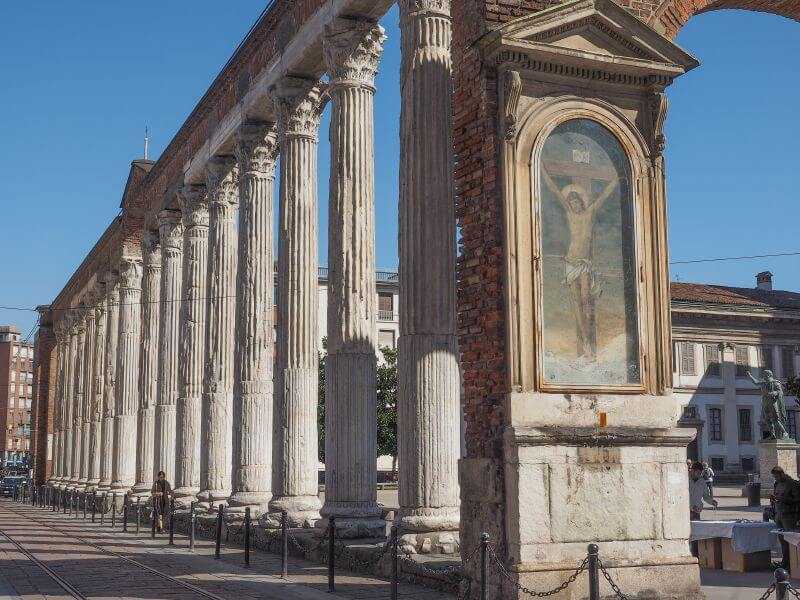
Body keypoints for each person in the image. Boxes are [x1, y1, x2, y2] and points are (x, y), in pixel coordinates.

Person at [770, 467, 800, 569]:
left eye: (776, 476)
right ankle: (785, 562)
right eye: (774, 477)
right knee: (782, 541)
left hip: (789, 516)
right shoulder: (777, 484)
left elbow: (797, 500)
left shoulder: (792, 484)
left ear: (782, 474)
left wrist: (783, 499)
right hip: (779, 514)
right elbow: (776, 497)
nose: (775, 478)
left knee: (790, 540)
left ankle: (791, 564)